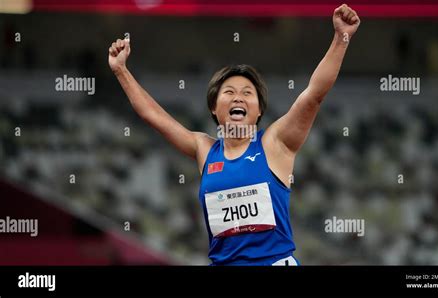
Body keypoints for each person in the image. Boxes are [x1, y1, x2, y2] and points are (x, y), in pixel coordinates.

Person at [108, 4, 360, 265]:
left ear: (259, 109)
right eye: (229, 92)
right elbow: (153, 116)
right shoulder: (203, 149)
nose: (238, 96)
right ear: (214, 109)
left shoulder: (275, 143)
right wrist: (121, 71)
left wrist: (341, 38)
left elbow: (314, 94)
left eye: (247, 93)